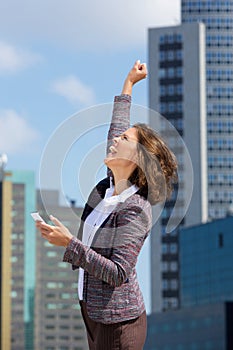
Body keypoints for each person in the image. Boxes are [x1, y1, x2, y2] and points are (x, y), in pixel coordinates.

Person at [36, 60, 177, 350]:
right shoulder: (108, 188)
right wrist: (129, 84)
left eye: (123, 140)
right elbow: (118, 126)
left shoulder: (135, 209)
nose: (114, 140)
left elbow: (117, 272)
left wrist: (69, 244)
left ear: (136, 158)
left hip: (119, 324)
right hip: (93, 310)